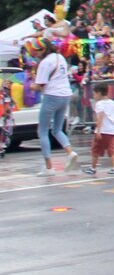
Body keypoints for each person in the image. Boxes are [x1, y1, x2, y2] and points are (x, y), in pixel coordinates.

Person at [31, 39, 79, 174]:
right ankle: (70, 152)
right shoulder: (60, 57)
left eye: (38, 50)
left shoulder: (45, 63)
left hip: (51, 96)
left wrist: (28, 86)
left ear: (43, 50)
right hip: (65, 95)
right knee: (57, 129)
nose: (36, 53)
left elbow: (40, 84)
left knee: (42, 131)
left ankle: (48, 167)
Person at [82, 83, 114, 176]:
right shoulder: (112, 102)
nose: (93, 96)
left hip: (102, 130)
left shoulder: (99, 104)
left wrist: (98, 130)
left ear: (99, 93)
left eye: (94, 94)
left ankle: (93, 168)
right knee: (112, 149)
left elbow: (100, 116)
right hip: (111, 130)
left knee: (95, 150)